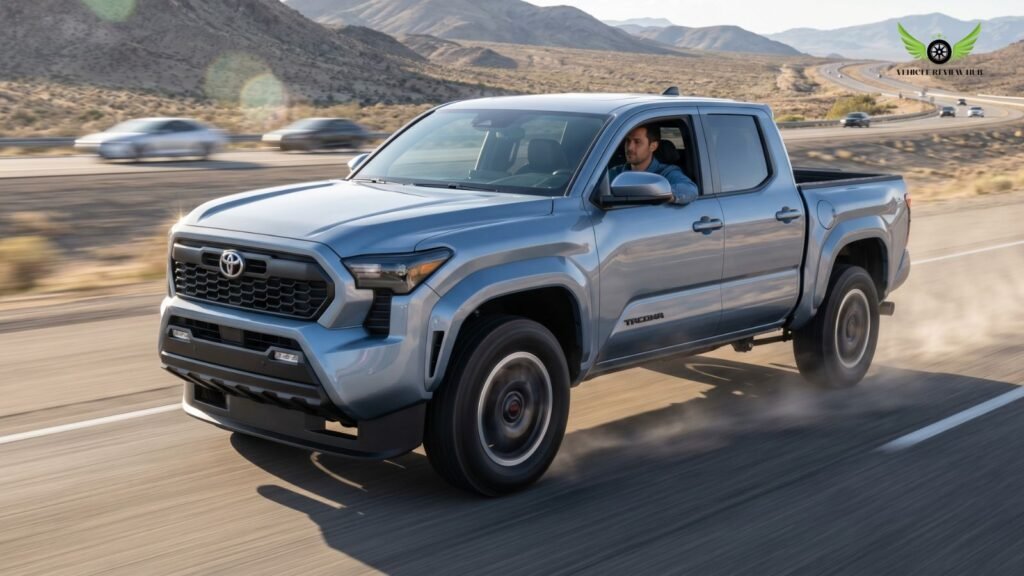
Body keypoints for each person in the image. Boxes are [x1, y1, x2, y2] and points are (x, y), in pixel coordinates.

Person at [608, 124, 698, 204]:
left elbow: (690, 189)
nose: (630, 147)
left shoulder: (666, 173)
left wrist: (659, 191)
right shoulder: (615, 173)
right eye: (628, 140)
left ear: (653, 146)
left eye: (637, 142)